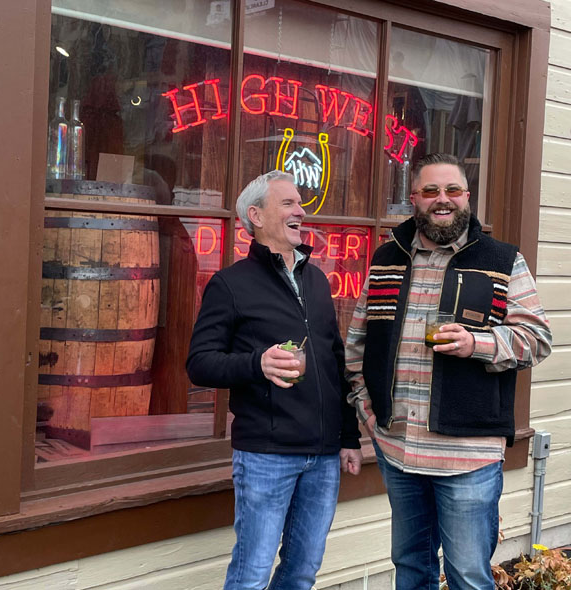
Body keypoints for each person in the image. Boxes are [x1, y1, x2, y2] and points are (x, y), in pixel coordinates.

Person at [345, 153, 552, 590]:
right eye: (431, 191)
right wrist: (370, 415)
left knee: (467, 577)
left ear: (467, 197)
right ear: (414, 198)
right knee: (411, 568)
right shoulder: (387, 259)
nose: (443, 200)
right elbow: (357, 347)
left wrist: (477, 343)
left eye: (452, 190)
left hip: (468, 455)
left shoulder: (502, 260)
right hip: (398, 450)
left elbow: (537, 339)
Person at [187, 170, 363, 590]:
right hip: (266, 455)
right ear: (257, 216)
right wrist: (256, 364)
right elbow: (200, 363)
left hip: (322, 456)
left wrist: (349, 436)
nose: (301, 211)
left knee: (301, 574)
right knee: (251, 575)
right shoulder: (230, 284)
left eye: (300, 203)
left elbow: (334, 362)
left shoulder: (317, 280)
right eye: (288, 203)